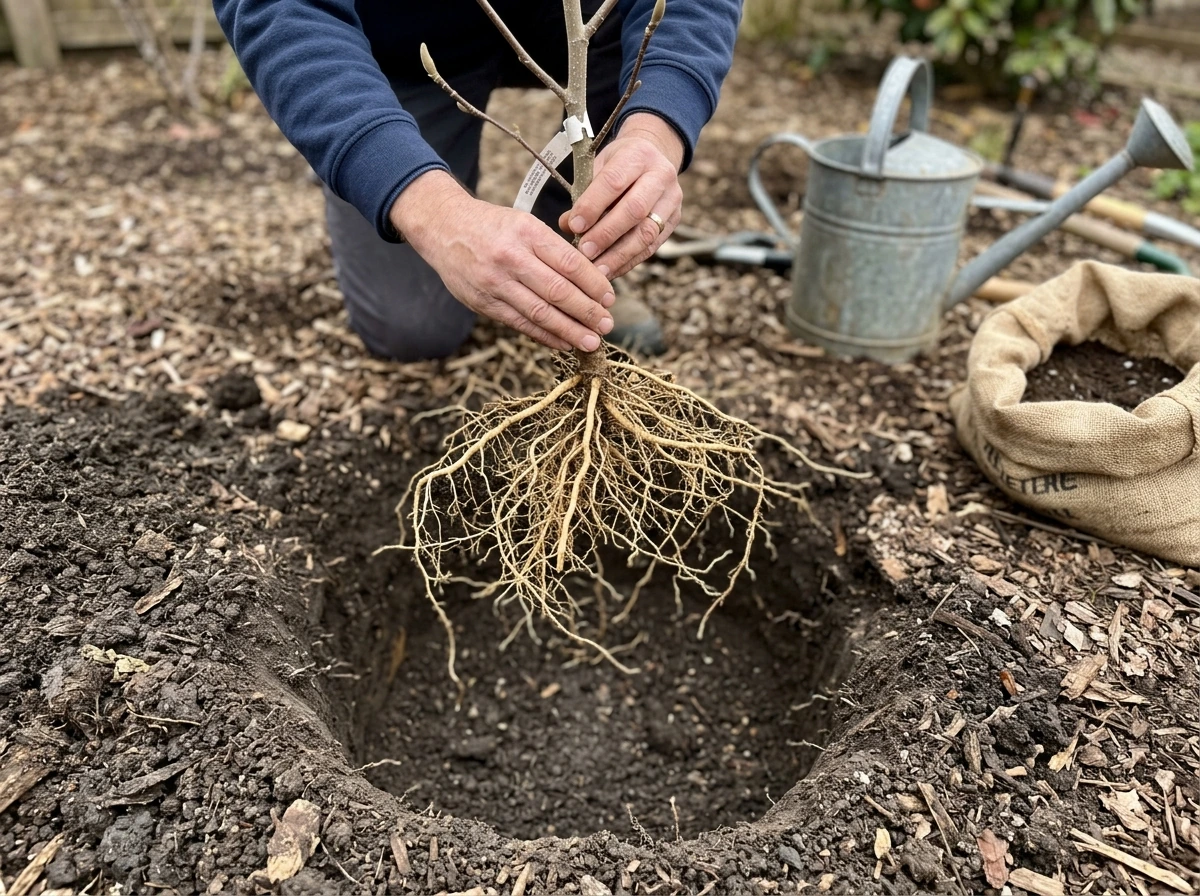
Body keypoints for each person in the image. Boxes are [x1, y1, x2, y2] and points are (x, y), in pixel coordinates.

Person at [213, 0, 742, 360]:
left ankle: (568, 260)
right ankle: (369, 148)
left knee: (578, 268)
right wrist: (424, 204)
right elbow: (279, 10)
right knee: (413, 329)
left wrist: (657, 128)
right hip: (399, 45)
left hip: (599, 27)